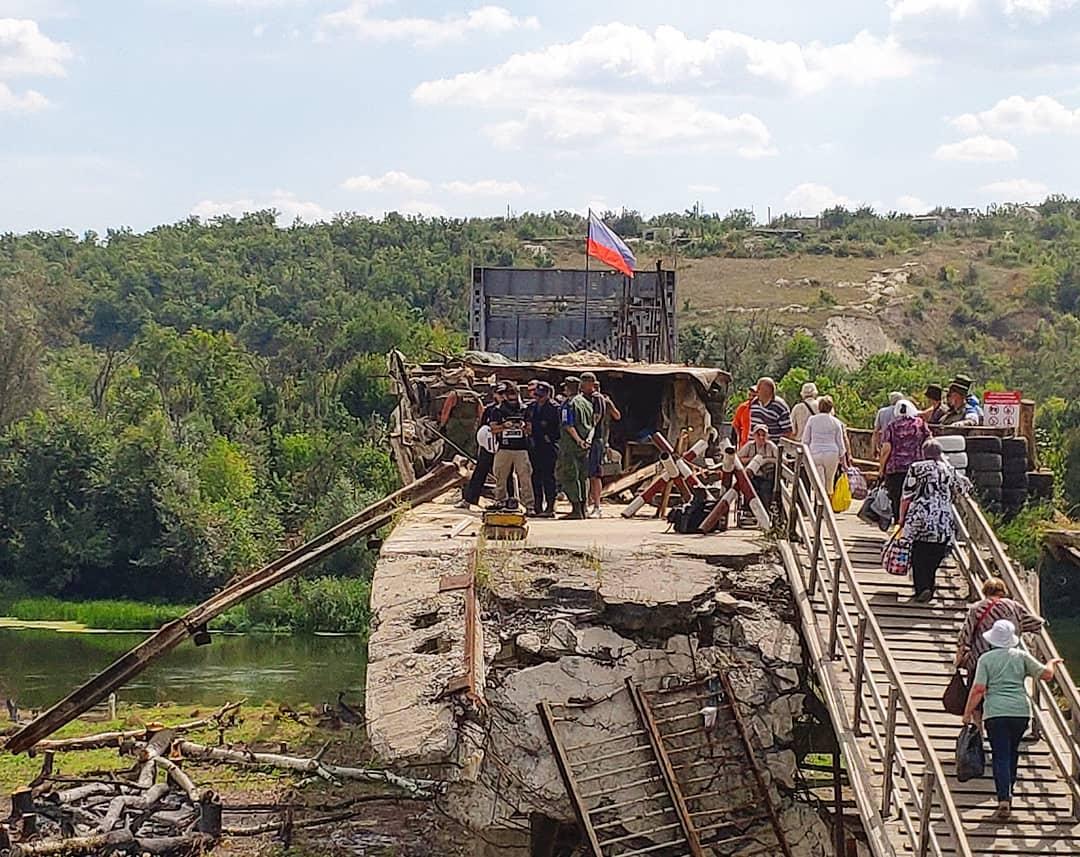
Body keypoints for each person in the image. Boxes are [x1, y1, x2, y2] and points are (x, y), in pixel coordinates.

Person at [963, 618, 1062, 821]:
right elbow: (1046, 675)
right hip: (1020, 712)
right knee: (1012, 752)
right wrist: (1051, 663)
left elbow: (979, 688)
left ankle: (1003, 798)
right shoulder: (1021, 656)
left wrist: (968, 713)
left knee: (1000, 754)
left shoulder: (986, 659)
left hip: (996, 713)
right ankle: (1009, 792)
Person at [955, 577, 1044, 726]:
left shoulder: (977, 608)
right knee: (1005, 689)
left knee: (977, 694)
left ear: (985, 591)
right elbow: (1036, 623)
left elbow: (965, 635)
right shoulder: (1014, 606)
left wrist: (959, 655)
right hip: (1009, 658)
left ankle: (978, 730)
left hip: (979, 657)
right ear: (1003, 591)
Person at [897, 437, 966, 602]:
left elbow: (906, 495)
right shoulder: (948, 469)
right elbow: (964, 487)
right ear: (940, 454)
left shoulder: (917, 468)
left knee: (918, 554)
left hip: (921, 516)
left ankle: (923, 588)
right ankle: (930, 586)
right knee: (936, 553)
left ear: (923, 453)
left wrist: (902, 518)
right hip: (943, 518)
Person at [879, 399, 930, 520]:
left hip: (895, 469)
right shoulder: (920, 424)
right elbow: (929, 441)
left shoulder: (891, 426)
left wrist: (881, 469)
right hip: (917, 469)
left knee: (897, 500)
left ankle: (899, 527)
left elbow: (886, 449)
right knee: (915, 499)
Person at [458, 384, 504, 509]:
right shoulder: (490, 409)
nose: (502, 397)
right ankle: (470, 499)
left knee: (505, 474)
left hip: (505, 447)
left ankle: (507, 501)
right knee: (480, 472)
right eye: (499, 394)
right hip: (488, 446)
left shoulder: (511, 409)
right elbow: (483, 427)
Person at [490, 382, 534, 511]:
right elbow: (492, 429)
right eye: (510, 395)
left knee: (525, 477)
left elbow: (530, 429)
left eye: (515, 395)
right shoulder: (498, 410)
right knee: (500, 476)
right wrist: (504, 426)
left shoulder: (525, 409)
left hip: (521, 448)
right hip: (504, 447)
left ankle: (529, 505)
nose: (512, 399)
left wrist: (523, 426)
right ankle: (500, 501)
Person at [557, 376, 593, 520]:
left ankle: (576, 509)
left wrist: (578, 440)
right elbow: (593, 424)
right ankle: (583, 508)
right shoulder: (586, 402)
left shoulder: (569, 404)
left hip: (571, 445)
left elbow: (568, 425)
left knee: (569, 475)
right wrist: (586, 441)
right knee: (583, 476)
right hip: (585, 445)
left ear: (568, 388)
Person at [586, 376, 621, 518]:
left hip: (600, 439)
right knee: (587, 474)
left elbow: (617, 416)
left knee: (595, 474)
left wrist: (609, 405)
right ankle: (588, 502)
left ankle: (596, 505)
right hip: (590, 439)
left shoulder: (603, 401)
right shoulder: (586, 400)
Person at [801, 395, 849, 496]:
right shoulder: (836, 422)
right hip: (832, 454)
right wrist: (844, 461)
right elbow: (840, 443)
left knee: (818, 482)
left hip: (815, 453)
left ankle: (818, 504)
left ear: (819, 407)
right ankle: (827, 502)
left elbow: (805, 440)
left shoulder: (812, 420)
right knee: (829, 482)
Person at [527, 381, 560, 518]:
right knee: (536, 476)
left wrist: (550, 439)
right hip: (535, 445)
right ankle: (537, 506)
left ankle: (550, 506)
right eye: (536, 395)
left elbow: (558, 429)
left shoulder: (554, 408)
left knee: (548, 477)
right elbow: (528, 422)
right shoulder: (532, 407)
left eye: (541, 396)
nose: (538, 398)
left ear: (547, 395)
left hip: (549, 446)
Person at [738, 424, 779, 507]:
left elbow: (782, 460)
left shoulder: (770, 446)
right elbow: (738, 458)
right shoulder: (750, 445)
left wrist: (766, 460)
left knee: (765, 489)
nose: (761, 437)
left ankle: (765, 512)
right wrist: (752, 459)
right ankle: (748, 510)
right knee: (748, 487)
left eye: (763, 435)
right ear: (754, 436)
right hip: (752, 477)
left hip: (767, 477)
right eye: (758, 435)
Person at [750, 377, 793, 442]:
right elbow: (752, 427)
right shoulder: (754, 403)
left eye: (759, 389)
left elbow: (787, 431)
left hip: (773, 446)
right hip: (755, 445)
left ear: (767, 391)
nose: (756, 393)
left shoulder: (780, 406)